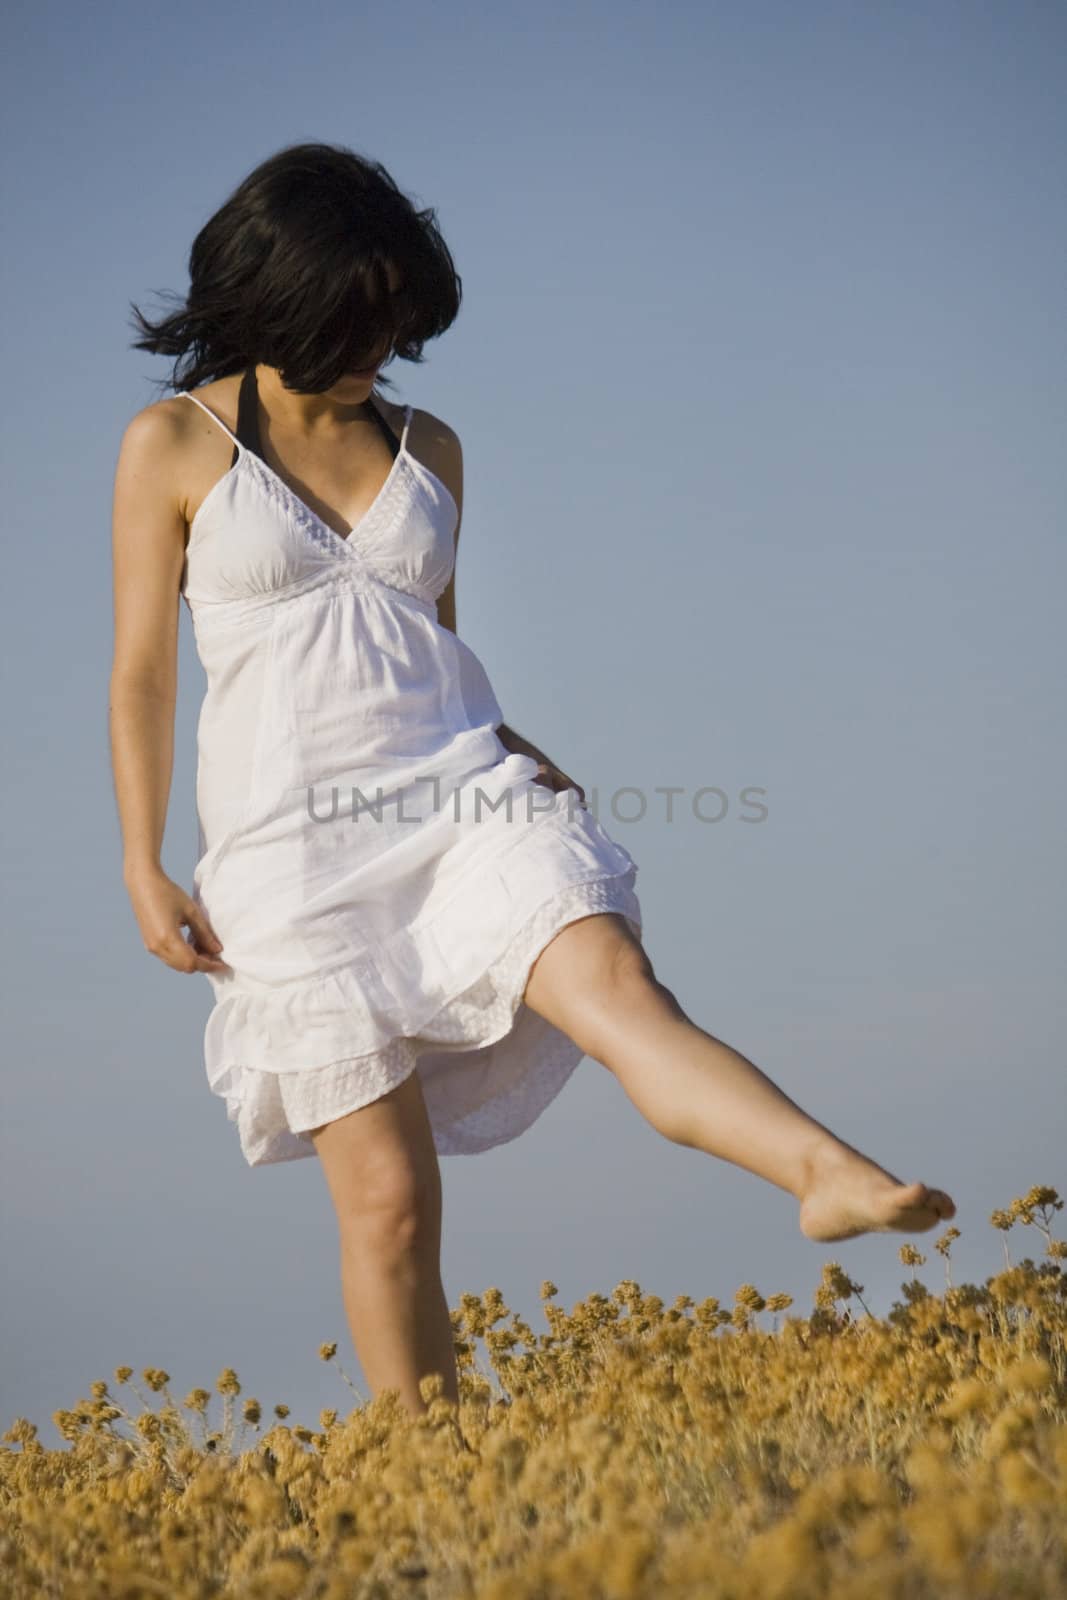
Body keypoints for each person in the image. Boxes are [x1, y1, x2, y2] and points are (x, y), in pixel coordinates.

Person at [109, 141, 955, 1425]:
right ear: (279, 296)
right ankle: (438, 1492)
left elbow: (427, 639)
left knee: (620, 987)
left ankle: (824, 1171)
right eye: (358, 317)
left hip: (462, 793)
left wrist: (513, 745)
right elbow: (141, 676)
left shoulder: (428, 443)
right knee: (389, 1206)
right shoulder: (174, 442)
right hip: (291, 854)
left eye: (396, 320)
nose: (382, 347)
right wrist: (141, 857)